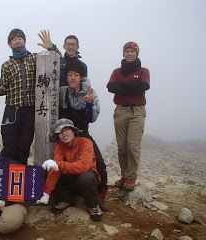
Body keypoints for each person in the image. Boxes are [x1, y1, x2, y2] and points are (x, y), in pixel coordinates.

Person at [0, 29, 61, 165]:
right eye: (14, 39)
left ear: (25, 41)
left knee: (24, 149)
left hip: (30, 111)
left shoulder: (35, 58)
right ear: (10, 44)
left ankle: (19, 180)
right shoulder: (7, 65)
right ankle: (5, 179)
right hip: (12, 111)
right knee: (9, 148)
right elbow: (4, 88)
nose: (17, 40)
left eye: (20, 37)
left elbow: (57, 61)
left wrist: (51, 47)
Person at [59, 59, 108, 211]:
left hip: (83, 135)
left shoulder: (90, 93)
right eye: (70, 75)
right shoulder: (62, 92)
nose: (73, 78)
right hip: (64, 137)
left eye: (76, 75)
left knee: (99, 164)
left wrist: (88, 104)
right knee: (57, 165)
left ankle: (98, 196)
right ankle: (65, 197)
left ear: (81, 77)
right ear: (66, 77)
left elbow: (91, 119)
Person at [36, 118, 103, 222]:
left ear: (73, 131)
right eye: (60, 132)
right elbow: (55, 169)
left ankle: (93, 205)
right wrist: (47, 192)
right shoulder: (60, 147)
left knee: (86, 177)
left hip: (87, 179)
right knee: (49, 170)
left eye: (66, 129)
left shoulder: (86, 143)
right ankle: (65, 199)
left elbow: (84, 166)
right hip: (72, 182)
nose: (64, 134)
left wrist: (58, 165)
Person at [107, 41, 150, 191]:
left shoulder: (144, 71)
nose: (129, 53)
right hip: (120, 111)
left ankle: (131, 177)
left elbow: (143, 86)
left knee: (133, 145)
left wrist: (122, 88)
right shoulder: (117, 71)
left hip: (137, 111)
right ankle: (124, 175)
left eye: (132, 51)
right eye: (127, 51)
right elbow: (110, 87)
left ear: (137, 53)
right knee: (122, 147)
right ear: (123, 53)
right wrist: (132, 87)